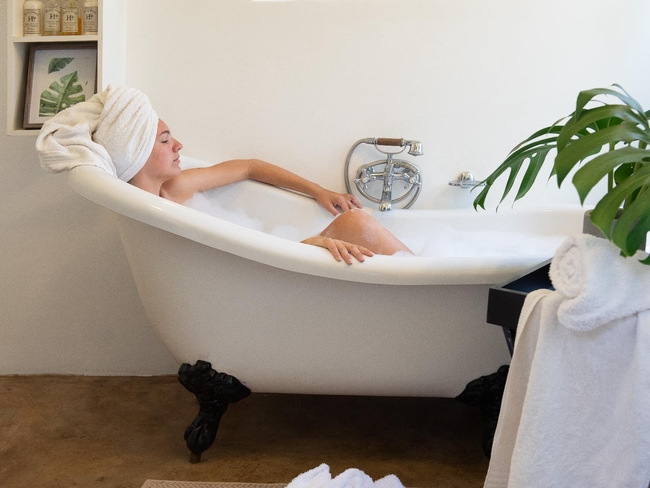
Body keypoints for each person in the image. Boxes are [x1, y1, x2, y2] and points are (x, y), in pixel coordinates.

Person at [36, 85, 412, 264]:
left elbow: (248, 167)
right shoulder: (152, 215)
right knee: (354, 224)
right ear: (135, 156)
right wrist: (311, 245)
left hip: (273, 267)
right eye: (165, 140)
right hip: (266, 281)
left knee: (353, 222)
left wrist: (317, 191)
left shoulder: (178, 189)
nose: (178, 145)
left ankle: (417, 273)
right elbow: (226, 269)